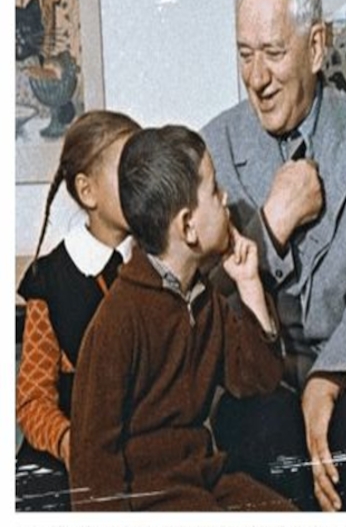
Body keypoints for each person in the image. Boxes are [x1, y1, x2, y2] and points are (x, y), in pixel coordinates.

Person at [201, 0, 346, 511]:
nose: (256, 78)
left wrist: (327, 379)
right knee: (264, 439)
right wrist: (270, 225)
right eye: (245, 54)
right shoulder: (213, 145)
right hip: (258, 378)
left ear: (317, 47)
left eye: (273, 53)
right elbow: (207, 302)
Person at [68, 126, 295, 512]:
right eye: (214, 190)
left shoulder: (204, 299)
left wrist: (249, 285)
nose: (226, 198)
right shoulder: (118, 321)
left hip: (206, 479)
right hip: (150, 498)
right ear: (188, 226)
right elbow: (93, 463)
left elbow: (259, 380)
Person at [15, 110, 141, 511]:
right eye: (129, 172)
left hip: (143, 447)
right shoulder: (50, 280)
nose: (144, 182)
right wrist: (70, 443)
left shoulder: (158, 264)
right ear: (87, 191)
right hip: (70, 452)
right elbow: (33, 400)